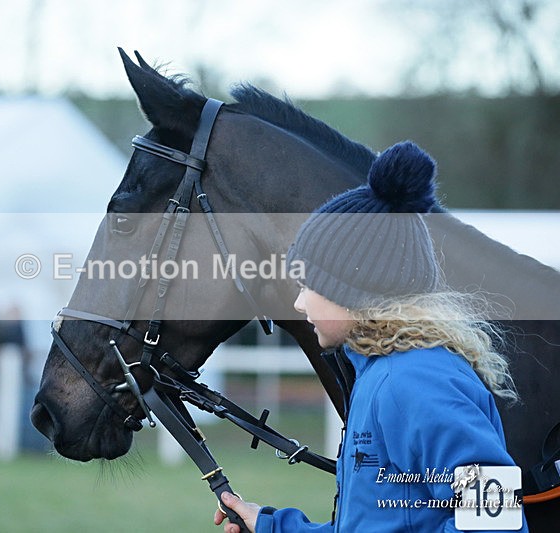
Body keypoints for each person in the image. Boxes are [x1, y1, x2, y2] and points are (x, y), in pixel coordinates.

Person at [214, 141, 526, 532]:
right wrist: (271, 527)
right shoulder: (384, 375)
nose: (298, 303)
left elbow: (496, 523)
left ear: (354, 291)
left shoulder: (412, 382)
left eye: (308, 284)